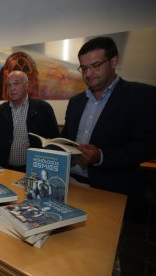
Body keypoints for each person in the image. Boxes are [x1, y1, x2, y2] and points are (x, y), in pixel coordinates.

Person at [61, 37, 156, 197]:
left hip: (111, 189)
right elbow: (66, 137)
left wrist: (101, 156)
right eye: (84, 68)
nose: (89, 74)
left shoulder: (140, 96)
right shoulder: (75, 102)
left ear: (113, 62)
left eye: (96, 66)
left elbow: (147, 146)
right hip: (69, 184)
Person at [0, 70, 59, 171]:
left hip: (32, 170)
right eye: (9, 85)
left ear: (26, 85)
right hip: (4, 168)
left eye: (16, 83)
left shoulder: (43, 108)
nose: (12, 88)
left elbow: (54, 140)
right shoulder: (0, 110)